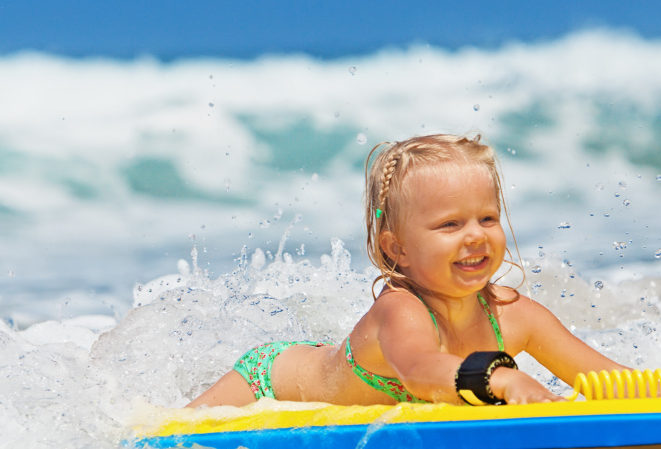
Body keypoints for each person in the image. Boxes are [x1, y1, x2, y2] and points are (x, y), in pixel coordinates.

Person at [188, 133, 626, 409]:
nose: (475, 235)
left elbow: (604, 380)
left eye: (487, 218)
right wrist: (500, 378)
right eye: (450, 225)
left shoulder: (514, 315)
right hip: (267, 384)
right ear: (397, 248)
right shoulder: (400, 310)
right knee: (171, 447)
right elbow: (420, 370)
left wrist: (656, 394)